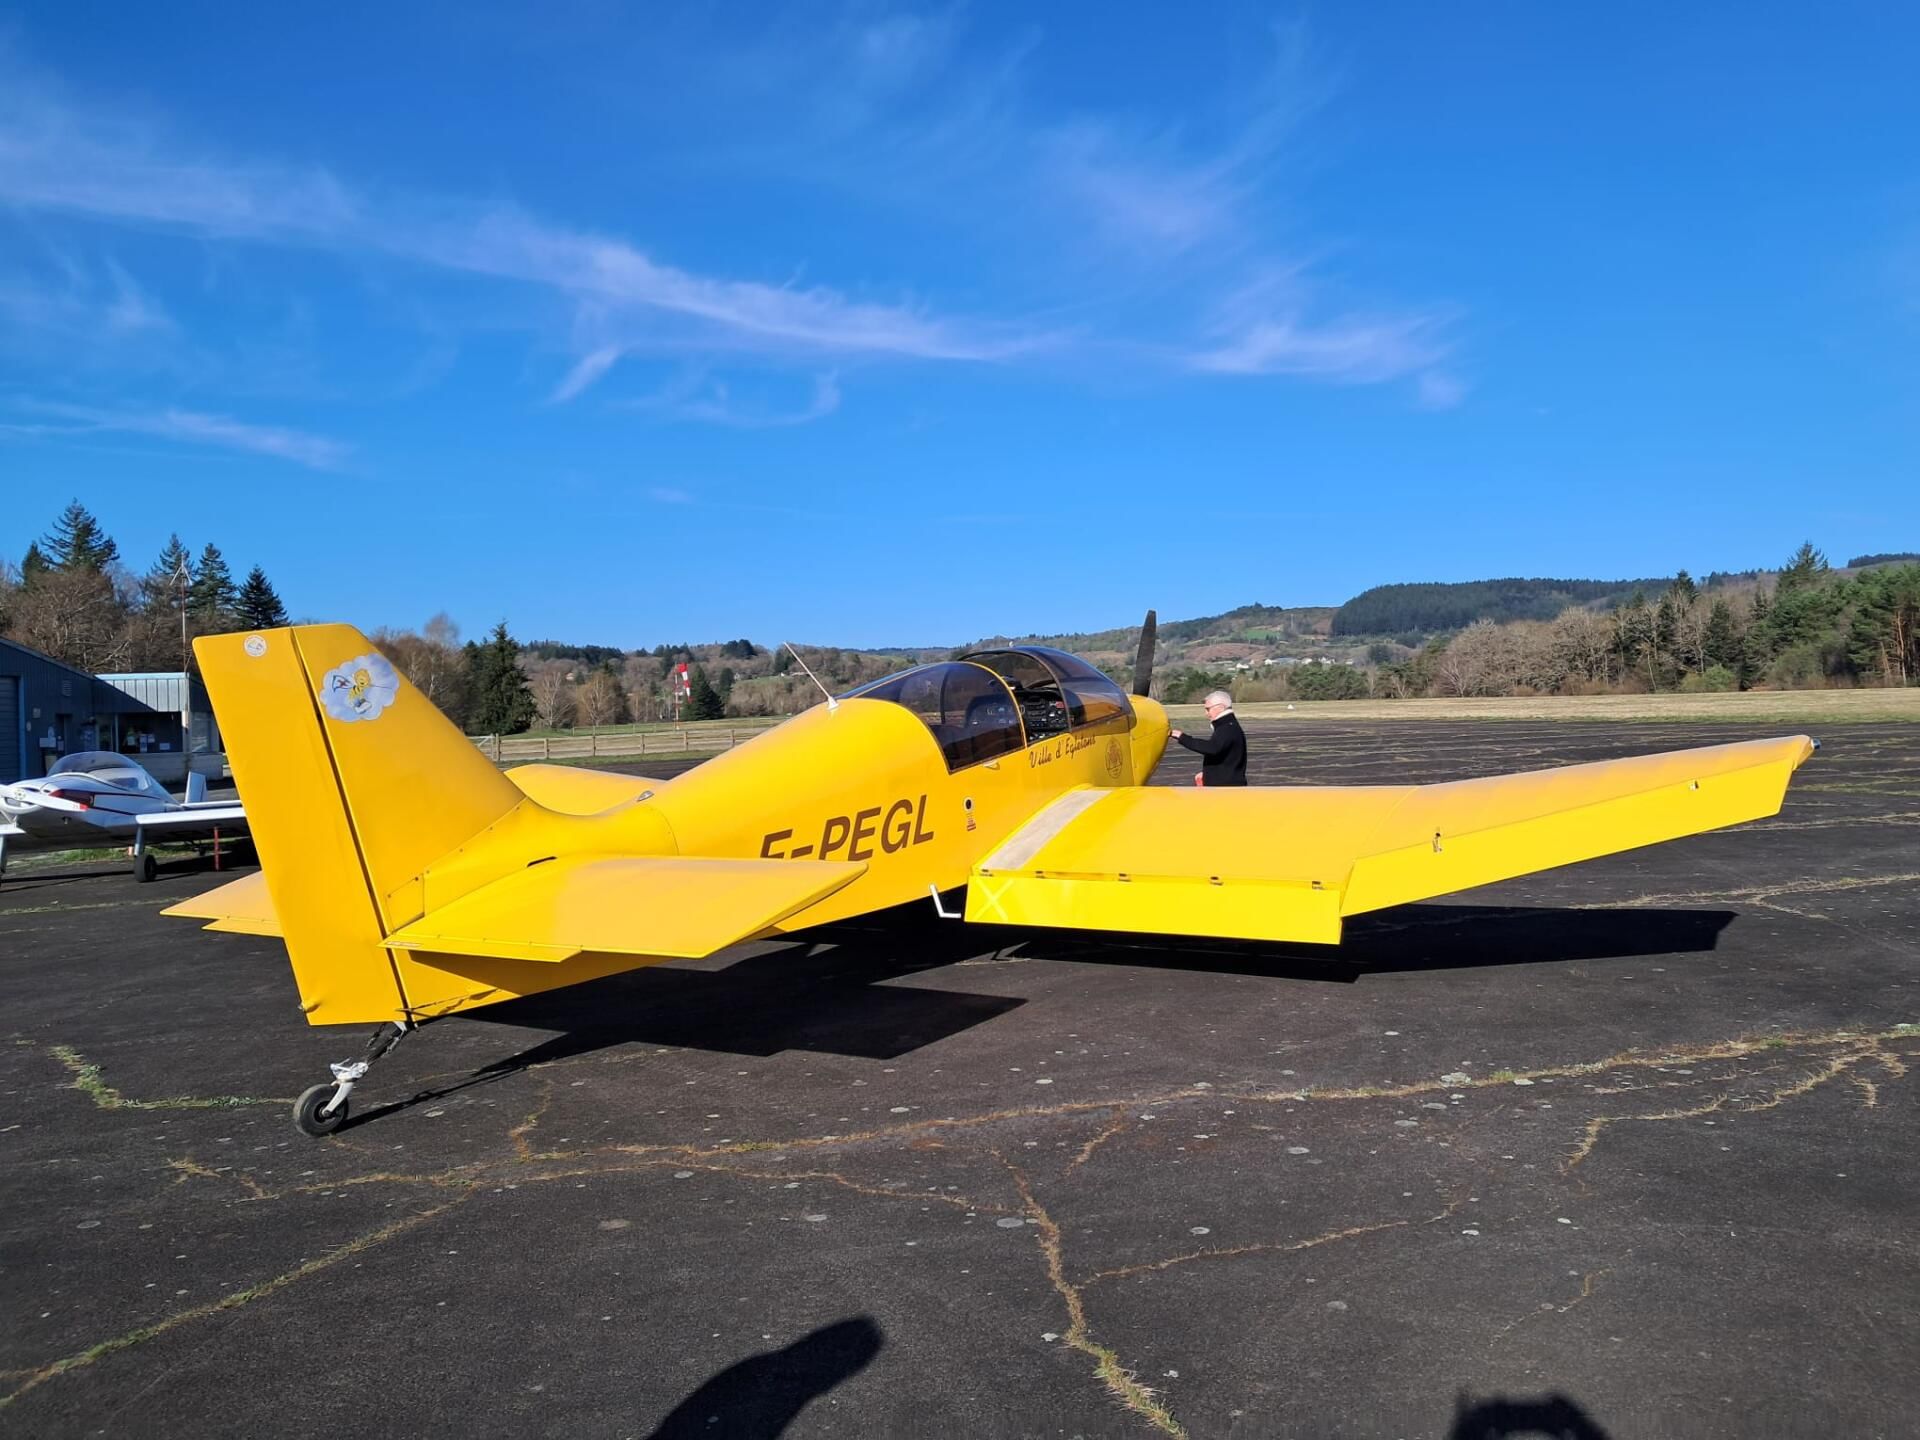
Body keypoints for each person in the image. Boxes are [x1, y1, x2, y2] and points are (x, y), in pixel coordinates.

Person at [1169, 690, 1247, 787]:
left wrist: (1182, 737)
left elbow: (1212, 748)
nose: (1206, 713)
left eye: (1208, 709)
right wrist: (1208, 775)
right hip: (1226, 786)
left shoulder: (1227, 728)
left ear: (1221, 707)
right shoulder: (1229, 726)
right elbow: (1226, 757)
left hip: (1226, 790)